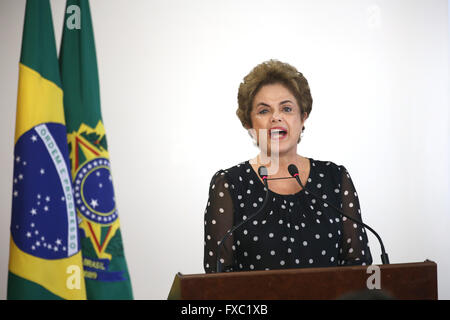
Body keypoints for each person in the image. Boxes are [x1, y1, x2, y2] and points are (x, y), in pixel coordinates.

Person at [203, 59, 372, 273]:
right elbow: (218, 278)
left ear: (303, 117)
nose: (276, 117)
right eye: (264, 111)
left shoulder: (335, 178)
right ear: (249, 122)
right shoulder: (230, 184)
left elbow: (359, 267)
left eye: (287, 108)